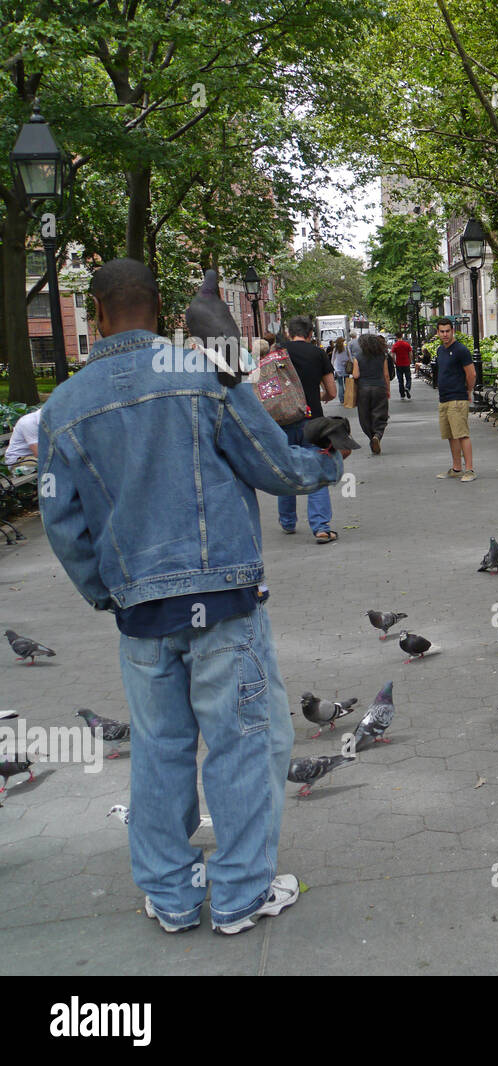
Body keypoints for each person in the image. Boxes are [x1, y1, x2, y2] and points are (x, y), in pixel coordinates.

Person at [39, 258, 345, 933]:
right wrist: (326, 458)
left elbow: (64, 526)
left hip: (142, 613)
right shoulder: (204, 377)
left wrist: (108, 593)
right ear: (162, 308)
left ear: (94, 314)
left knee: (159, 749)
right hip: (225, 600)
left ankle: (172, 897)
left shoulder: (62, 409)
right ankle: (238, 895)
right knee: (240, 743)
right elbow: (272, 465)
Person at [280, 316, 339, 542]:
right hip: (311, 420)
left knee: (287, 470)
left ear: (288, 333)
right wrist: (319, 396)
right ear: (310, 334)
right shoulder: (318, 354)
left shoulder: (278, 352)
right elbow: (332, 391)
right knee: (316, 471)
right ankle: (321, 527)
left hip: (282, 420)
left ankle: (287, 521)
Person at [433, 317, 477, 482]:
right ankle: (457, 467)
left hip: (457, 398)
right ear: (438, 332)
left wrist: (468, 390)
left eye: (447, 331)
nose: (445, 334)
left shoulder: (461, 350)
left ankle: (470, 469)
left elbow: (471, 374)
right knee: (451, 435)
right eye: (442, 331)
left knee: (462, 434)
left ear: (453, 331)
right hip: (444, 399)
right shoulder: (440, 350)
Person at [351, 332, 391, 454]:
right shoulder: (382, 355)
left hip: (363, 389)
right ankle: (377, 435)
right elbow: (386, 375)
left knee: (364, 416)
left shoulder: (358, 356)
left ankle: (371, 437)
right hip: (379, 388)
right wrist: (387, 389)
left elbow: (356, 375)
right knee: (380, 415)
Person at [392, 331, 413, 400]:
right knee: (408, 378)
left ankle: (402, 395)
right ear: (402, 336)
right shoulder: (406, 344)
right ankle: (407, 387)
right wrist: (410, 361)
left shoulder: (395, 345)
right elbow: (410, 354)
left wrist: (394, 362)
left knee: (400, 380)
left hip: (398, 364)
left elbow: (393, 355)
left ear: (396, 337)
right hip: (406, 363)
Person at [331, 337, 349, 403]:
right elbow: (349, 357)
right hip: (346, 368)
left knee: (340, 385)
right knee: (346, 384)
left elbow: (333, 359)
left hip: (338, 369)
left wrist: (332, 367)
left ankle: (341, 399)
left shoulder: (335, 349)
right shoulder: (346, 348)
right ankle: (347, 398)